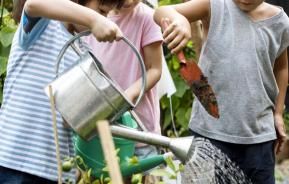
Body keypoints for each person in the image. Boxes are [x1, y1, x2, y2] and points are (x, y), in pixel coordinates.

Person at [154, 0, 289, 183]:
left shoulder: (280, 22)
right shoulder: (215, 4)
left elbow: (281, 68)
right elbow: (162, 11)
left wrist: (279, 113)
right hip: (208, 132)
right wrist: (180, 20)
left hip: (258, 138)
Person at [0, 0, 124, 183]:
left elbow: (71, 119)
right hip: (14, 161)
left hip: (55, 171)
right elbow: (34, 4)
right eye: (101, 11)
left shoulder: (84, 53)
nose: (104, 18)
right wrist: (94, 20)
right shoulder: (44, 27)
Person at [85, 0, 163, 160]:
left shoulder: (147, 18)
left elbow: (155, 69)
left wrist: (129, 94)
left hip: (141, 129)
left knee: (146, 174)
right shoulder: (94, 18)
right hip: (105, 126)